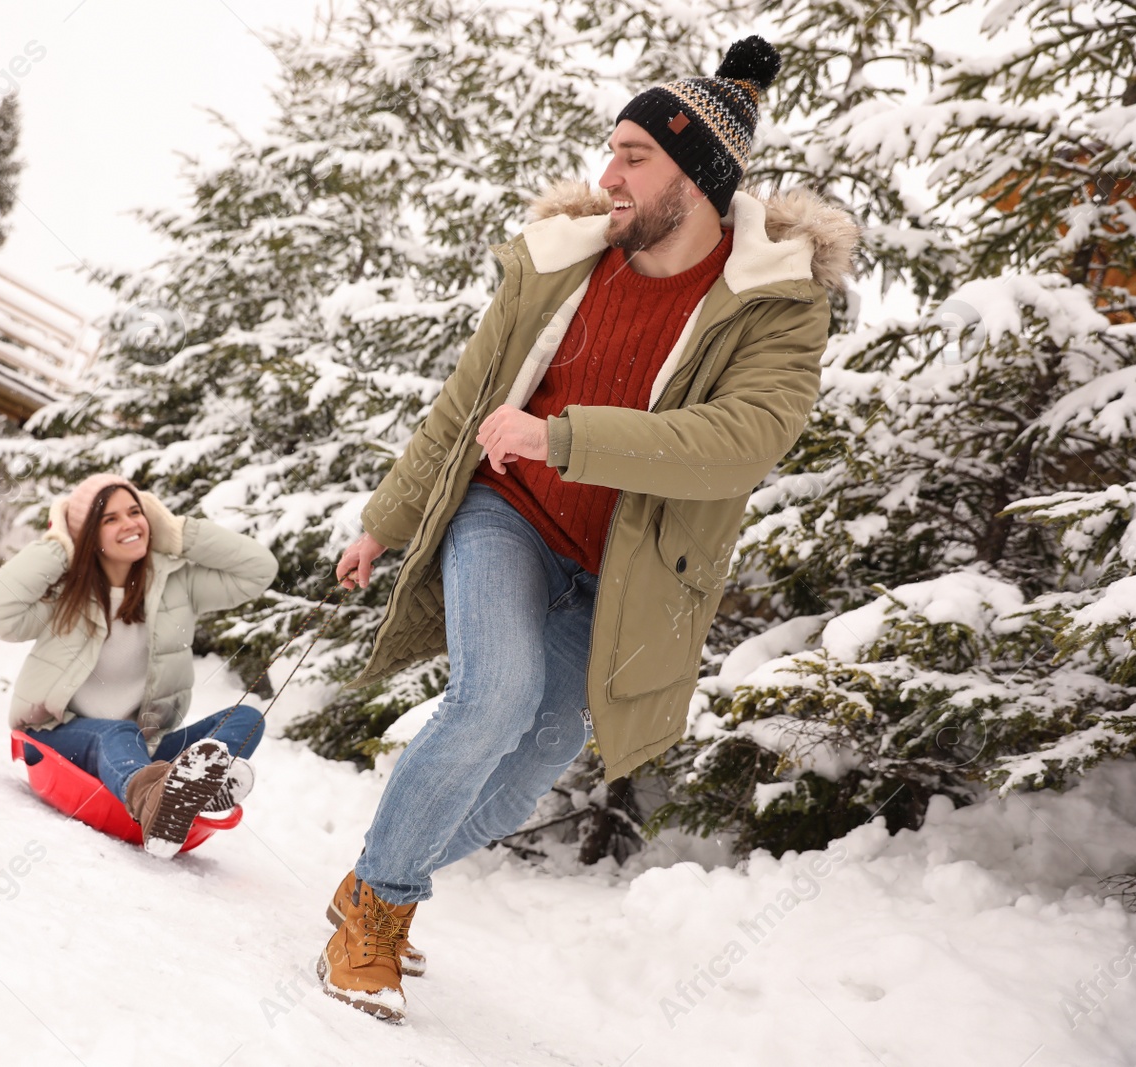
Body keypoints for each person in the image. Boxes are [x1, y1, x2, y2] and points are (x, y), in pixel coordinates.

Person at [317, 36, 861, 1020]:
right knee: (494, 698)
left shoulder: (775, 304)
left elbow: (739, 440)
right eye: (608, 150)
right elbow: (462, 403)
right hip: (508, 515)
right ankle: (380, 912)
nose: (605, 174)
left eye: (631, 156)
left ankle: (370, 878)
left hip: (623, 567)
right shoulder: (559, 262)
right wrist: (384, 521)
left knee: (529, 769)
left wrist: (562, 434)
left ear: (695, 179)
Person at [0, 473, 279, 857]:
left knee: (247, 719)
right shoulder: (65, 594)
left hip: (142, 744)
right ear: (86, 535)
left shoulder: (177, 585)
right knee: (115, 732)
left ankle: (181, 794)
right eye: (110, 518)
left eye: (136, 512)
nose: (130, 523)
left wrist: (177, 533)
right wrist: (60, 546)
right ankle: (151, 799)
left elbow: (259, 569)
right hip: (59, 734)